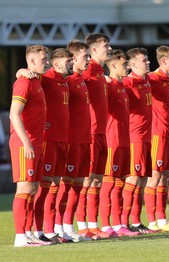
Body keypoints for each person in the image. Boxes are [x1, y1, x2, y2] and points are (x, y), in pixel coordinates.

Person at [25, 48, 74, 242]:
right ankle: (37, 232)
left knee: (55, 186)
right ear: (57, 63)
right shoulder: (46, 78)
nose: (71, 63)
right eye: (68, 60)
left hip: (63, 139)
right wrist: (20, 71)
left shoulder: (65, 80)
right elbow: (25, 76)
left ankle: (51, 229)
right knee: (43, 187)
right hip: (48, 140)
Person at [9, 45, 51, 247]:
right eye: (44, 59)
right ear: (32, 61)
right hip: (24, 143)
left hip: (37, 142)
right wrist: (26, 142)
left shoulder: (37, 80)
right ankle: (20, 237)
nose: (48, 62)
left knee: (33, 188)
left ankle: (28, 234)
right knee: (24, 187)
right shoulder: (24, 83)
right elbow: (14, 114)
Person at [99, 49, 140, 237]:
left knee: (121, 184)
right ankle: (106, 225)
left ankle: (118, 224)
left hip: (125, 140)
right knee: (109, 184)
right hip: (112, 140)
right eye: (125, 64)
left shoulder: (122, 86)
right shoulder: (107, 85)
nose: (128, 67)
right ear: (113, 65)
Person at [61, 40, 99, 240]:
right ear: (73, 59)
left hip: (85, 139)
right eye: (86, 57)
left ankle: (69, 227)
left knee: (78, 185)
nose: (89, 60)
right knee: (65, 185)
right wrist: (22, 71)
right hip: (71, 140)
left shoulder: (83, 79)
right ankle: (58, 228)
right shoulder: (65, 81)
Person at [144, 45, 169, 232]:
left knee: (165, 177)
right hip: (157, 134)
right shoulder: (152, 79)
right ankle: (152, 221)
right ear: (164, 61)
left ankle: (161, 218)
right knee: (155, 177)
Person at [80, 33, 113, 239]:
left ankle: (93, 225)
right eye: (106, 46)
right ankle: (82, 226)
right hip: (90, 132)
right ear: (93, 50)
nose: (109, 49)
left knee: (97, 181)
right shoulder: (87, 69)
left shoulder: (100, 72)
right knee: (87, 180)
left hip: (102, 132)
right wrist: (22, 71)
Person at [121, 47, 156, 234]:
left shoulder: (147, 80)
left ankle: (136, 222)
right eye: (144, 60)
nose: (148, 62)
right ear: (133, 64)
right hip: (134, 137)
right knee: (133, 179)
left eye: (148, 59)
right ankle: (124, 223)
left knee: (142, 179)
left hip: (147, 136)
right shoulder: (128, 83)